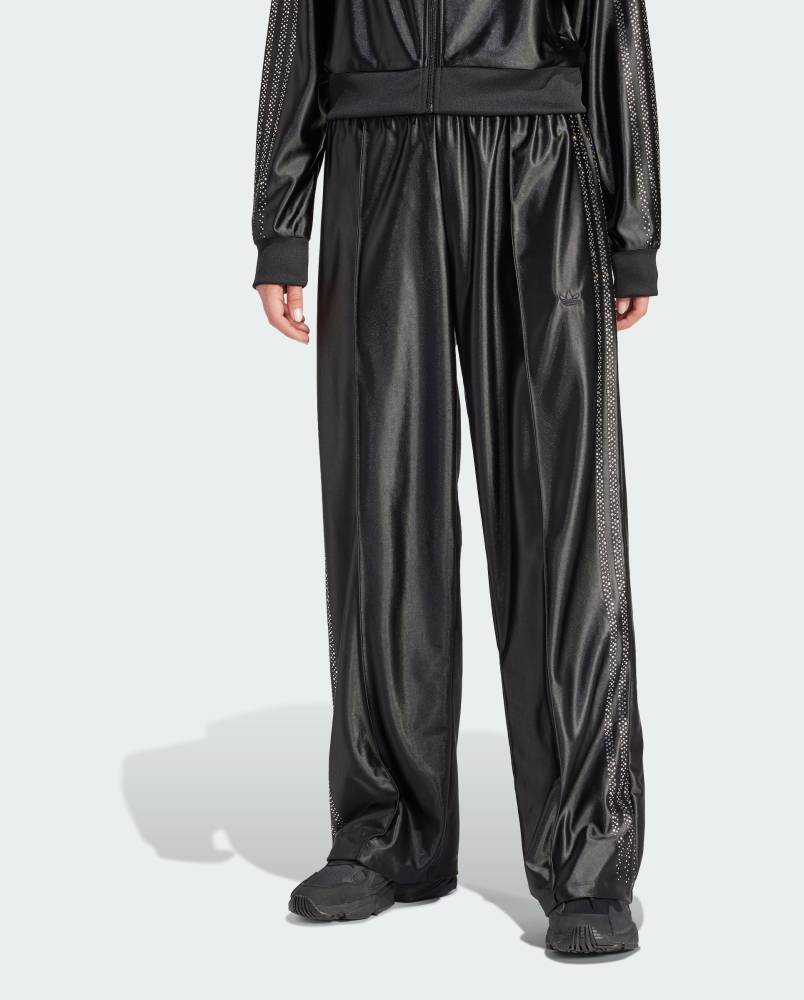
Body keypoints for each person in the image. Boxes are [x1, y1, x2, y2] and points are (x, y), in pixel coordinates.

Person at [251, 0, 660, 956]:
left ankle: (588, 858)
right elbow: (297, 28)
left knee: (560, 517)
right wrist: (281, 221)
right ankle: (387, 831)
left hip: (538, 169)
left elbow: (617, 25)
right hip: (376, 162)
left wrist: (633, 224)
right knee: (379, 502)